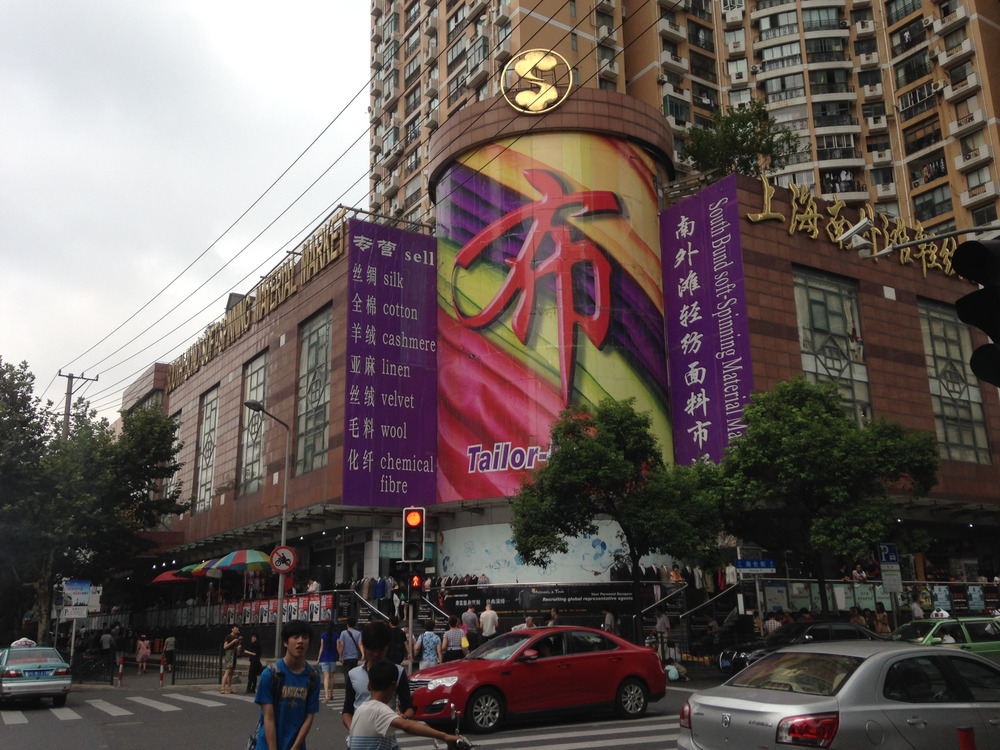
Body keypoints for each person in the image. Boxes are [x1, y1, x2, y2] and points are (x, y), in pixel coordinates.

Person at [347, 659, 461, 749]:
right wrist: (445, 736)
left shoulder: (359, 711)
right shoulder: (380, 710)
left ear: (369, 686)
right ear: (394, 686)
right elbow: (407, 726)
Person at [253, 620, 319, 750]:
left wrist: (295, 747)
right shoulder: (270, 675)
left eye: (304, 637)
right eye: (295, 637)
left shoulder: (313, 677)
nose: (300, 641)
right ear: (285, 642)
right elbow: (268, 718)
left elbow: (309, 717)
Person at [342, 620, 416, 730]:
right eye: (372, 649)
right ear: (365, 647)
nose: (376, 654)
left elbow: (408, 707)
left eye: (380, 649)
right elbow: (347, 711)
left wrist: (403, 718)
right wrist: (354, 731)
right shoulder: (353, 674)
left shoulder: (398, 672)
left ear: (387, 646)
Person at [317, 623, 339, 702]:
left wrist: (319, 658)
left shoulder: (323, 635)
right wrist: (340, 655)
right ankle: (331, 694)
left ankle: (326, 695)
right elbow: (337, 647)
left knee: (325, 677)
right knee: (331, 677)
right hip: (333, 658)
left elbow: (321, 647)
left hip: (324, 658)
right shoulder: (336, 635)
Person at [221, 625, 241, 694]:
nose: (237, 629)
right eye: (236, 628)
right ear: (232, 629)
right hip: (229, 654)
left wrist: (238, 647)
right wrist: (232, 642)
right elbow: (225, 646)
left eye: (237, 628)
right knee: (228, 670)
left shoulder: (236, 637)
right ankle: (222, 688)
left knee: (231, 672)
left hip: (234, 654)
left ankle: (229, 688)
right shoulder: (229, 637)